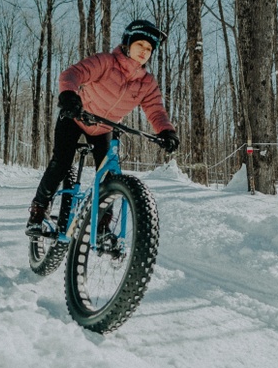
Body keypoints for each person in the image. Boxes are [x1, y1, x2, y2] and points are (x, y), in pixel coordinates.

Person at [26, 19, 179, 235]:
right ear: (127, 43)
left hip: (104, 128)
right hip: (76, 117)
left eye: (149, 48)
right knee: (61, 163)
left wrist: (166, 131)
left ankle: (102, 225)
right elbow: (72, 74)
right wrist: (69, 95)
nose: (145, 51)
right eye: (140, 45)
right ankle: (38, 211)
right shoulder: (106, 62)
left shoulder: (147, 83)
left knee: (109, 176)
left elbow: (155, 110)